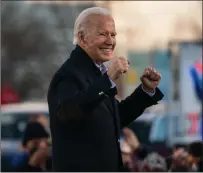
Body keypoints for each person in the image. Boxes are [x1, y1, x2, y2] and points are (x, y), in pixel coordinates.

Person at [47, 7, 164, 172]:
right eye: (103, 34)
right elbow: (67, 114)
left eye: (113, 34)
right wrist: (107, 79)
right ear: (82, 38)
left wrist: (145, 91)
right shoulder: (67, 75)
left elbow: (114, 118)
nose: (110, 41)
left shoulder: (96, 73)